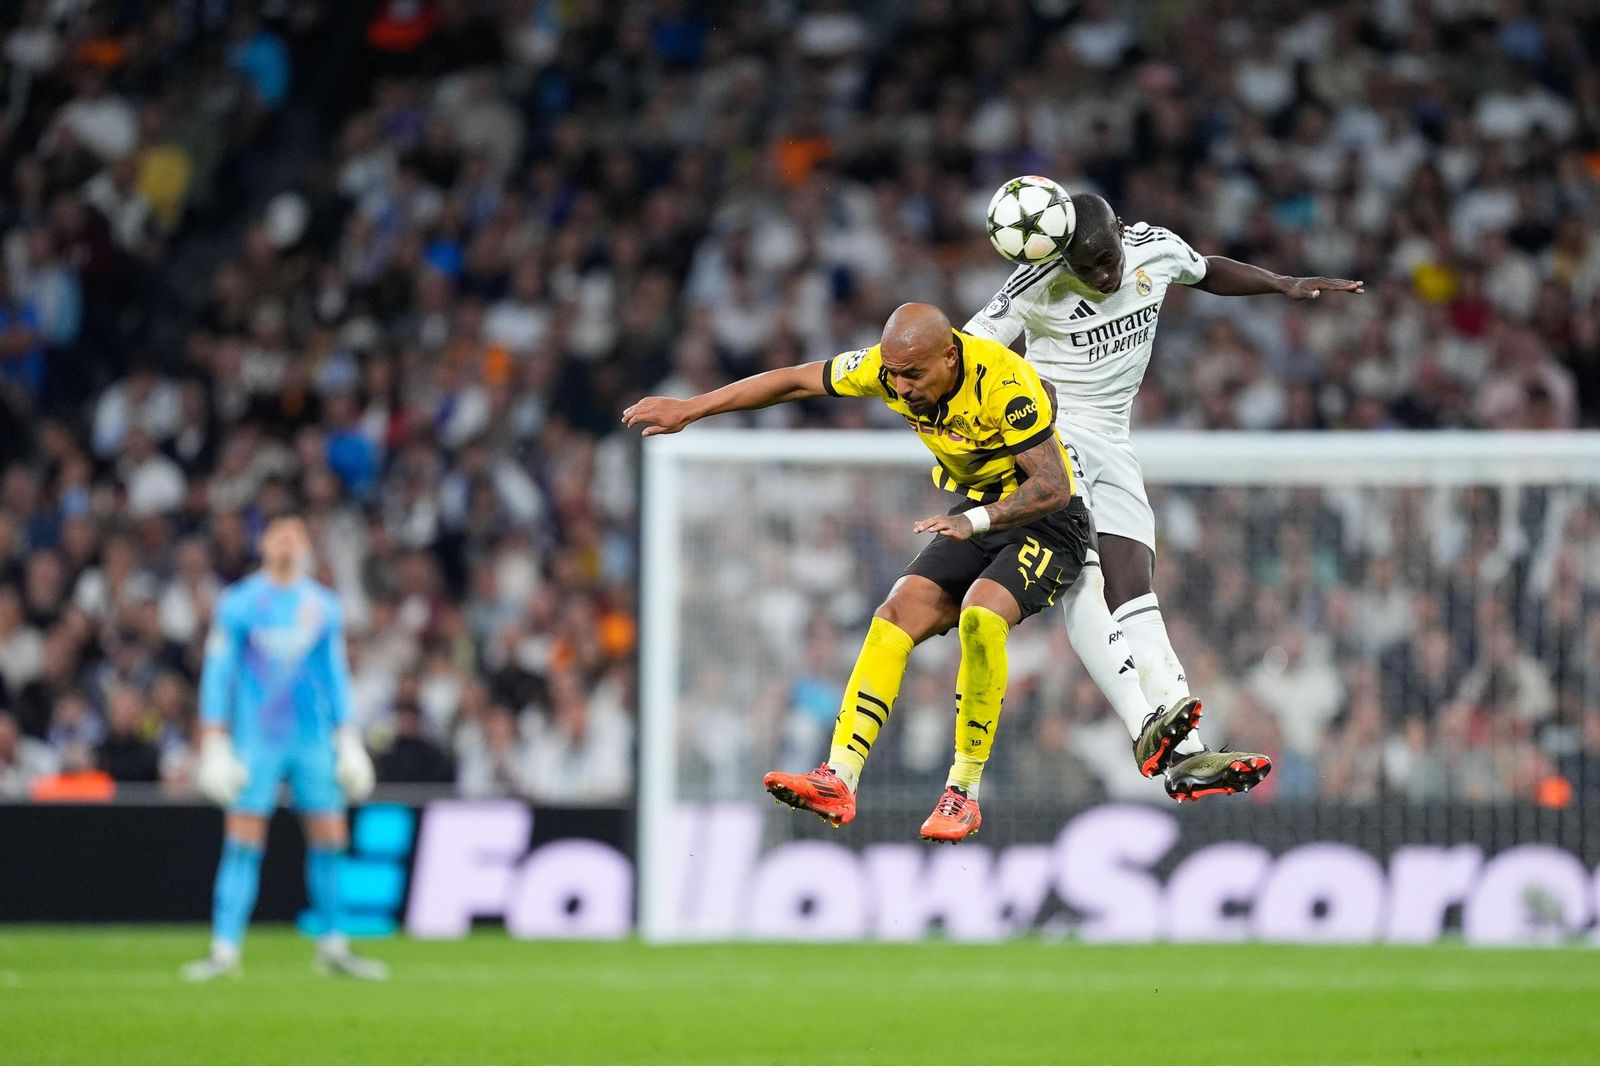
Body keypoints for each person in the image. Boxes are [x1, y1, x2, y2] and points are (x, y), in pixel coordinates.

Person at [625, 304, 1265, 842]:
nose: (899, 388)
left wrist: (979, 523)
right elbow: (795, 381)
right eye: (893, 375)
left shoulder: (1004, 382)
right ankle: (838, 779)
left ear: (951, 358)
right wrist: (692, 408)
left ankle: (963, 791)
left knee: (983, 614)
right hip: (978, 513)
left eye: (911, 375)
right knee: (894, 614)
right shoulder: (889, 367)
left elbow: (1050, 485)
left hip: (1050, 520)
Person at [964, 192, 1361, 794]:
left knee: (1136, 592)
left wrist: (1281, 283)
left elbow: (1206, 270)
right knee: (1085, 576)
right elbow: (966, 352)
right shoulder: (1032, 286)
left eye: (1108, 259)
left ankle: (1189, 758)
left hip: (1115, 446)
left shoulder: (1154, 248)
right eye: (1089, 268)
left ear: (1121, 235)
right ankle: (1144, 722)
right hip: (1053, 436)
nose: (1106, 275)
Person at [181, 514, 386, 981]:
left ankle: (334, 944)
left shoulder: (322, 605)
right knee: (242, 841)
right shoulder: (240, 603)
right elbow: (219, 672)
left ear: (307, 544)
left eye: (295, 535)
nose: (287, 543)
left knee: (331, 838)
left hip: (311, 739)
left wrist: (348, 737)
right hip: (258, 739)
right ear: (265, 544)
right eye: (279, 535)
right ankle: (224, 949)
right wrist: (214, 738)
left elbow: (334, 674)